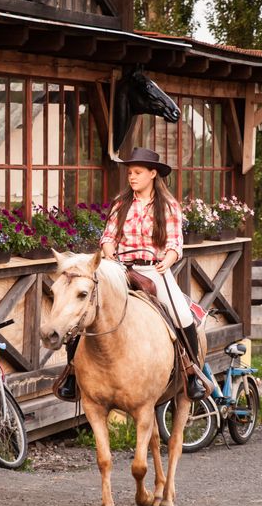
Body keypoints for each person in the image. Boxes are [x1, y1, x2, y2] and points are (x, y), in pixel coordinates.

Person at [56, 147, 205, 402]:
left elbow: (175, 243)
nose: (132, 177)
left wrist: (166, 260)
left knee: (181, 313)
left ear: (153, 174)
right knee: (87, 310)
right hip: (120, 269)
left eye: (138, 172)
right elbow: (108, 236)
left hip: (154, 268)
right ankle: (72, 374)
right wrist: (109, 252)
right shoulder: (121, 203)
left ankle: (192, 374)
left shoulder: (168, 205)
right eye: (130, 173)